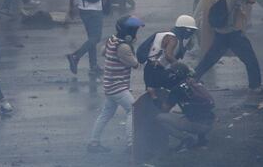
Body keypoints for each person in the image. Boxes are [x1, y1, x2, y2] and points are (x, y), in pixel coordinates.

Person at [194, 0, 262, 91]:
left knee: (210, 58)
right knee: (250, 59)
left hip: (223, 31)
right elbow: (251, 0)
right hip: (231, 32)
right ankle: (256, 86)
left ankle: (192, 78)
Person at [87, 15, 144, 154]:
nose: (135, 33)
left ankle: (93, 143)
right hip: (117, 86)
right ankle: (131, 145)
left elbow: (102, 52)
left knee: (106, 114)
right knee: (133, 110)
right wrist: (132, 48)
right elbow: (135, 64)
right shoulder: (123, 47)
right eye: (134, 30)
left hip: (110, 85)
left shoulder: (112, 40)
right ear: (128, 32)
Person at [156, 63, 215, 150]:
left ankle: (186, 139)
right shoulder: (193, 81)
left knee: (160, 118)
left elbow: (165, 109)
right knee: (196, 111)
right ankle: (202, 140)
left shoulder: (176, 89)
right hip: (210, 121)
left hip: (198, 125)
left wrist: (155, 98)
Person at [142, 15, 198, 96]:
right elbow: (168, 55)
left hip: (150, 70)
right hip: (156, 71)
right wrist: (185, 68)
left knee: (156, 95)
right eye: (191, 31)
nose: (191, 34)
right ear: (184, 29)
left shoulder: (170, 36)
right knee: (181, 86)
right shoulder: (173, 39)